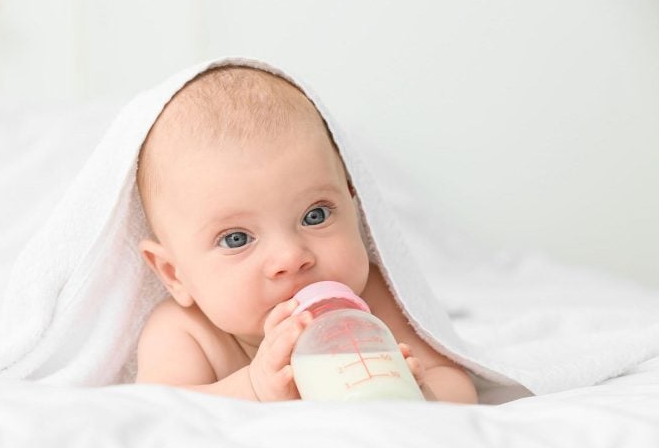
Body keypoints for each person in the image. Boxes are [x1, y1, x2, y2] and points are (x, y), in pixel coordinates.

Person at [134, 65, 477, 403]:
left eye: (316, 215)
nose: (291, 257)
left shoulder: (372, 300)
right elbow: (158, 412)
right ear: (173, 273)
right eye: (236, 239)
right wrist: (253, 388)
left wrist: (422, 392)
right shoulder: (186, 332)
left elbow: (456, 384)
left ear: (353, 200)